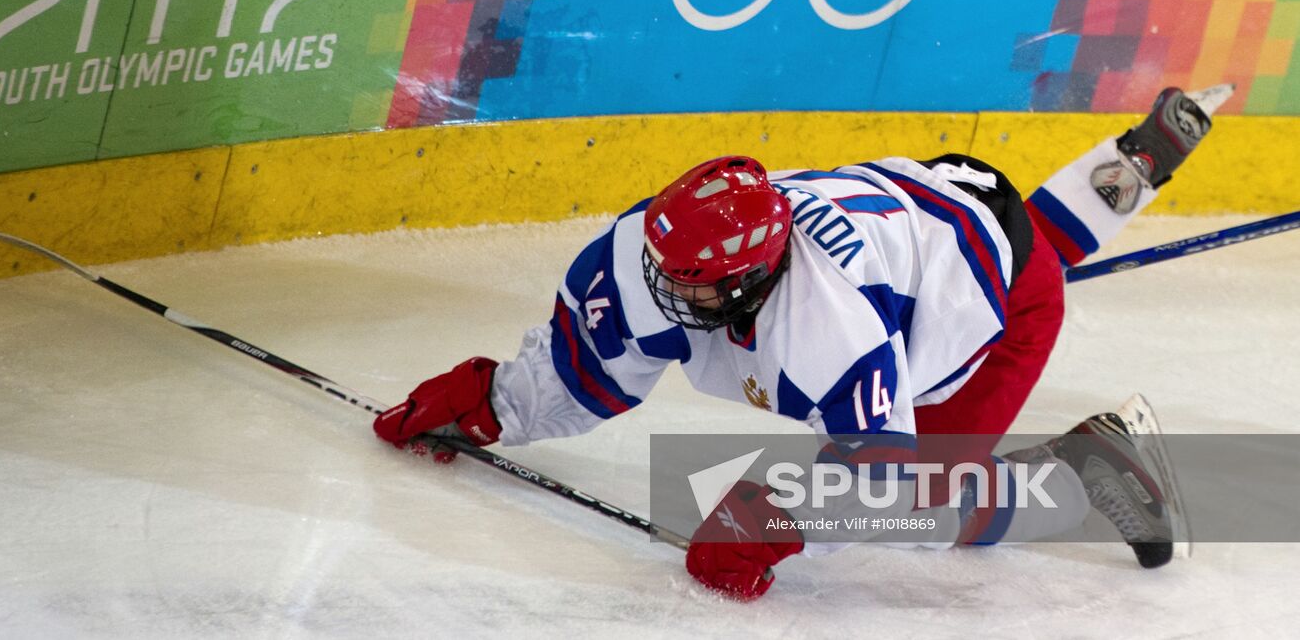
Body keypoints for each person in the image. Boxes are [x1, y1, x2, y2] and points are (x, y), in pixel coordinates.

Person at [373, 84, 1231, 600]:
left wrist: (770, 518)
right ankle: (1129, 169)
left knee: (934, 502)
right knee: (1000, 247)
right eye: (665, 268)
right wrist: (491, 405)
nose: (669, 292)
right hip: (933, 209)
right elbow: (587, 368)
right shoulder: (651, 250)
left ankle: (1098, 469)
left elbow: (882, 480)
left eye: (696, 288)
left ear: (754, 280)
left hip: (989, 284)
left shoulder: (830, 330)